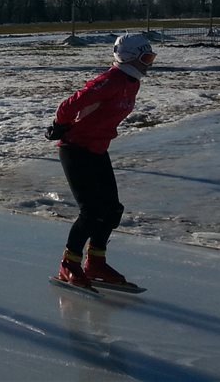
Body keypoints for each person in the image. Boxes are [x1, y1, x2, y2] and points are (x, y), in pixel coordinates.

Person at [47, 33, 157, 289]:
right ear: (130, 57)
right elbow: (69, 105)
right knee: (92, 211)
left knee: (112, 209)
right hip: (75, 149)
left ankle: (95, 262)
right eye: (146, 58)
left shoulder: (132, 82)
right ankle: (68, 264)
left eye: (151, 58)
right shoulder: (111, 80)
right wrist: (60, 126)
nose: (149, 64)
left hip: (97, 149)